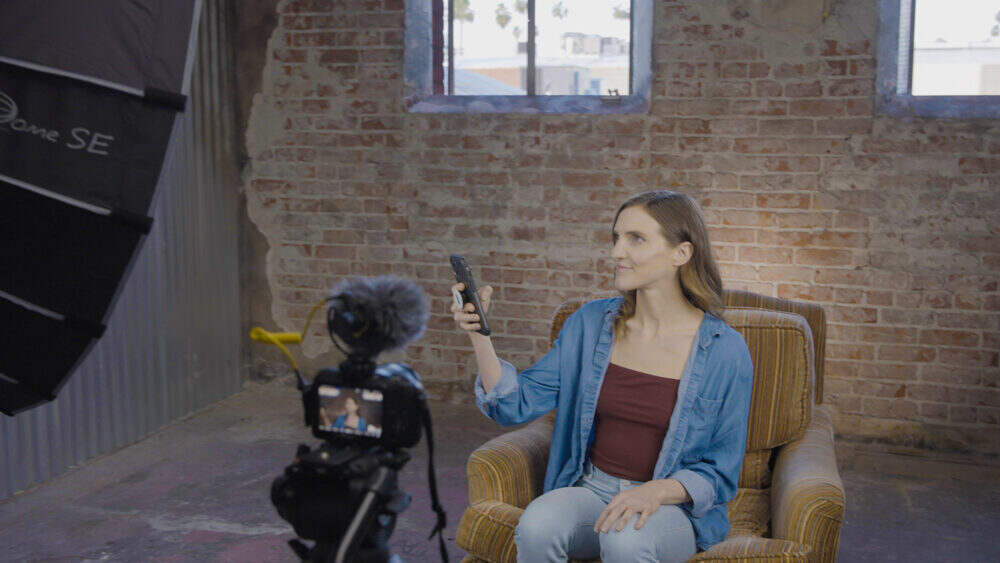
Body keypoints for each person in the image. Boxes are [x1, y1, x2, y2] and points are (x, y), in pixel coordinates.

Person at [450, 190, 754, 562]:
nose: (616, 253)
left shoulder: (726, 351)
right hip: (591, 489)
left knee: (625, 540)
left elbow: (721, 471)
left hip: (670, 509)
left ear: (682, 253)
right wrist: (480, 338)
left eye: (636, 239)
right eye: (616, 238)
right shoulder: (591, 323)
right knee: (536, 525)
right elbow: (514, 404)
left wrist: (655, 492)